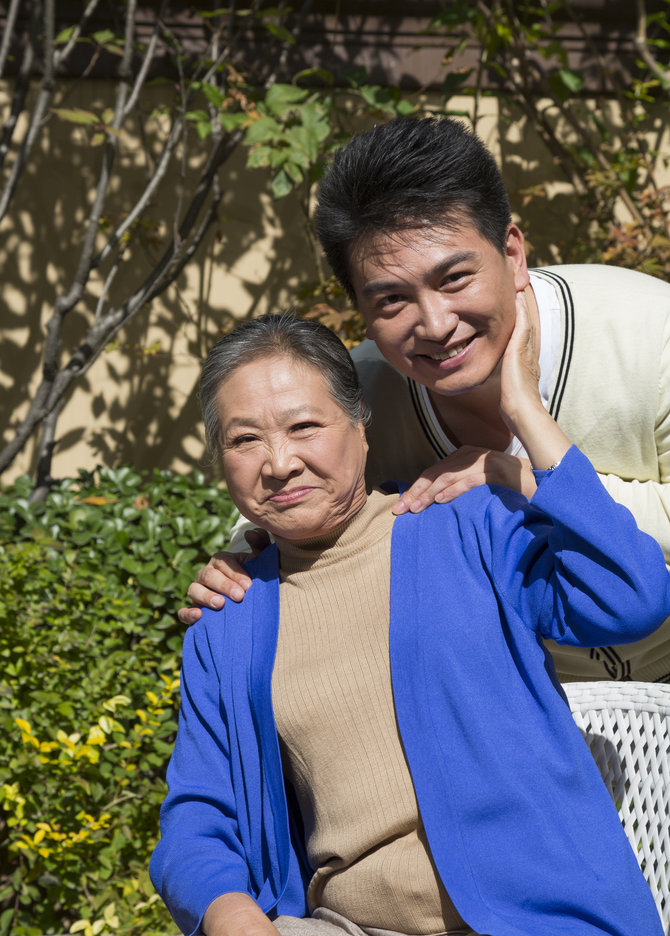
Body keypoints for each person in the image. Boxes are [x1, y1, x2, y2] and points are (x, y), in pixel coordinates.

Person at [150, 311, 669, 936]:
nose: (279, 462)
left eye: (304, 427)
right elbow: (197, 816)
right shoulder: (227, 622)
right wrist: (232, 915)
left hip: (538, 920)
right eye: (244, 440)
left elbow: (630, 596)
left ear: (360, 427)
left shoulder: (463, 526)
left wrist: (524, 437)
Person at [182, 116, 670, 685]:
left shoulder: (650, 334)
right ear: (360, 310)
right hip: (521, 724)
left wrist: (520, 482)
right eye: (391, 300)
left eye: (455, 278)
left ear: (512, 254)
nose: (436, 325)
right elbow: (286, 496)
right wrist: (241, 561)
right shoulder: (359, 397)